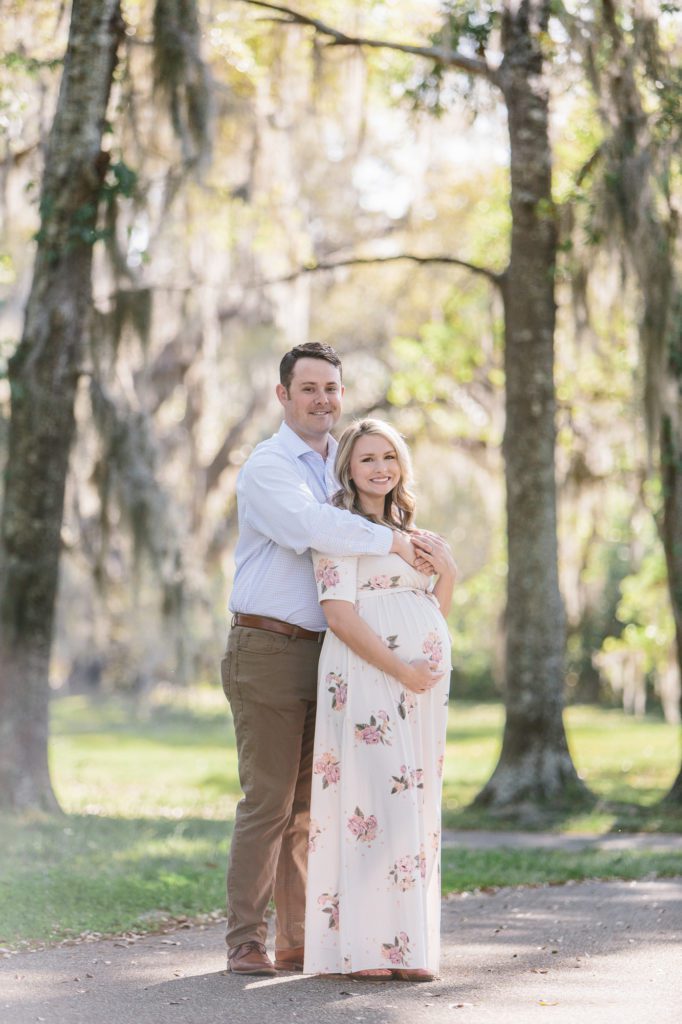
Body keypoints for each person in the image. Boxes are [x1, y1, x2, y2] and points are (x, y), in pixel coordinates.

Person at [221, 343, 426, 977]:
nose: (323, 399)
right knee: (269, 802)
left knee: (313, 806)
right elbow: (312, 529)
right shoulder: (268, 467)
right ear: (282, 395)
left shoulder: (339, 467)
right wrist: (398, 540)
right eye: (308, 388)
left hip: (333, 656)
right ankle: (245, 941)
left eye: (332, 388)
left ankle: (299, 939)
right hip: (268, 647)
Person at [304, 418, 457, 982]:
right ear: (348, 466)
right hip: (368, 673)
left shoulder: (409, 529)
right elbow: (338, 613)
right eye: (368, 458)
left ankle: (407, 947)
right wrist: (400, 667)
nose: (380, 468)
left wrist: (449, 571)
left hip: (419, 688)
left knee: (414, 805)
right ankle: (366, 948)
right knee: (372, 803)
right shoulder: (337, 528)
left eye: (389, 457)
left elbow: (434, 611)